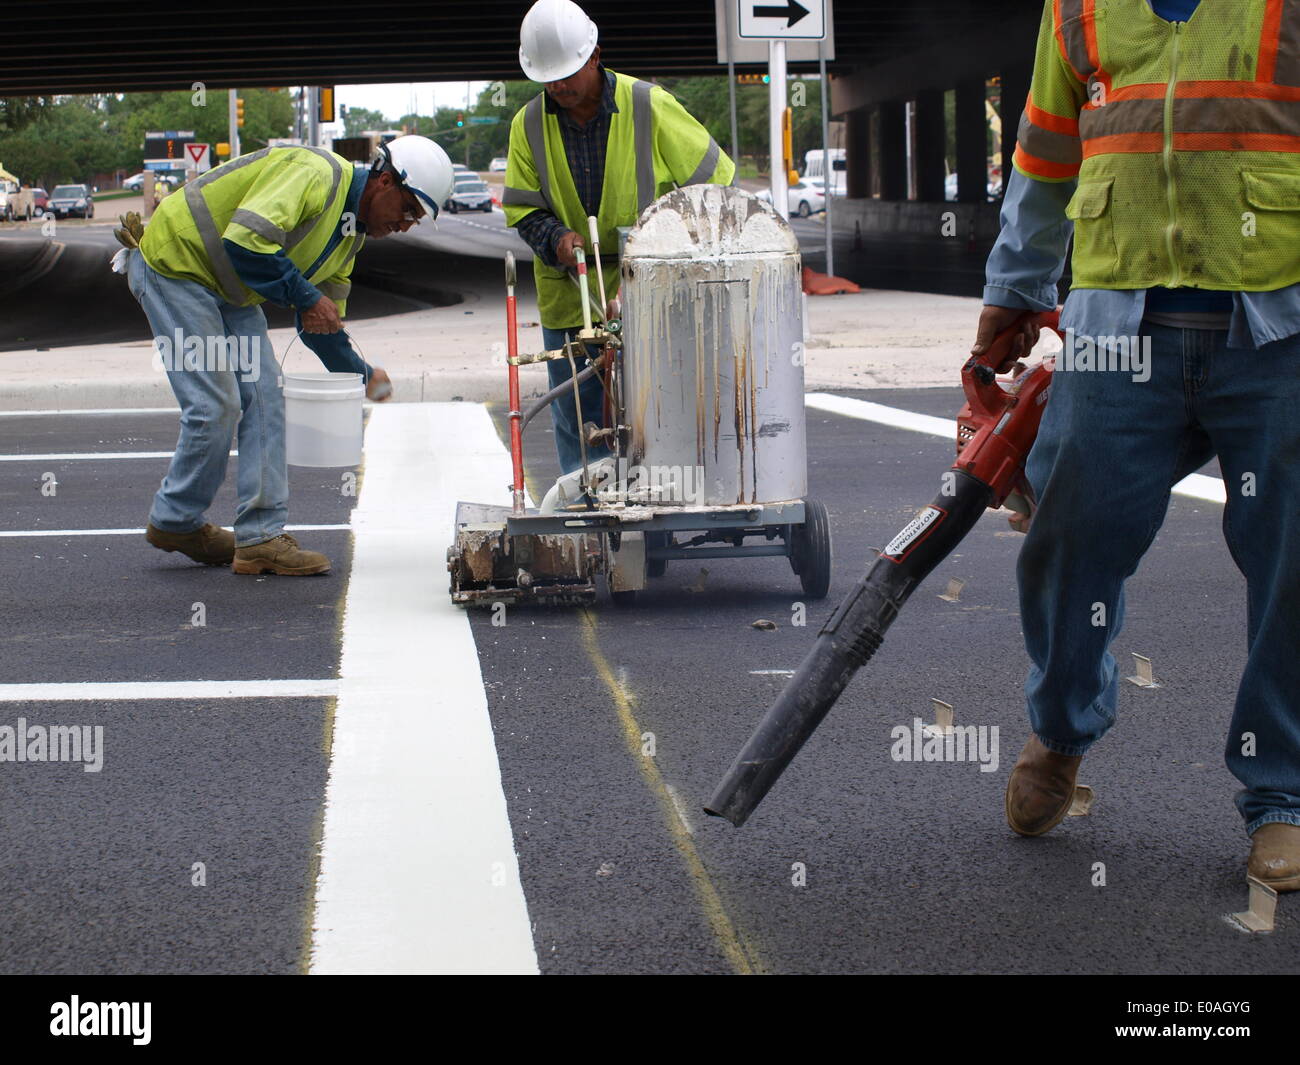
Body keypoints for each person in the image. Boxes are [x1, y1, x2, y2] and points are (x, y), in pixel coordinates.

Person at [975, 0, 1300, 889]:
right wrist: (1014, 287)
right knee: (1068, 538)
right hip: (1118, 324)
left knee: (1292, 560)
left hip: (1277, 323)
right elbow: (1045, 153)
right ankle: (1063, 729)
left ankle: (1285, 796)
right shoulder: (1077, 8)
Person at [120, 136, 453, 575]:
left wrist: (363, 374)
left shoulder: (348, 242)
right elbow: (246, 241)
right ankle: (176, 521)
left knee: (267, 397)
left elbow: (320, 328)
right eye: (409, 209)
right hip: (174, 265)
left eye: (417, 218)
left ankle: (259, 539)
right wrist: (307, 295)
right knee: (216, 406)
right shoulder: (315, 173)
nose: (406, 225)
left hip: (230, 292)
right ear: (385, 180)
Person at [503, 0, 735, 473]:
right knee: (579, 419)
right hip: (573, 293)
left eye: (568, 72)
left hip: (653, 287)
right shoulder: (526, 125)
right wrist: (556, 239)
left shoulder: (649, 104)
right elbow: (523, 209)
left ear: (594, 56)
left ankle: (658, 509)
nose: (560, 86)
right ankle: (587, 527)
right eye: (549, 77)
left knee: (659, 409)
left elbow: (715, 188)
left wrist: (665, 246)